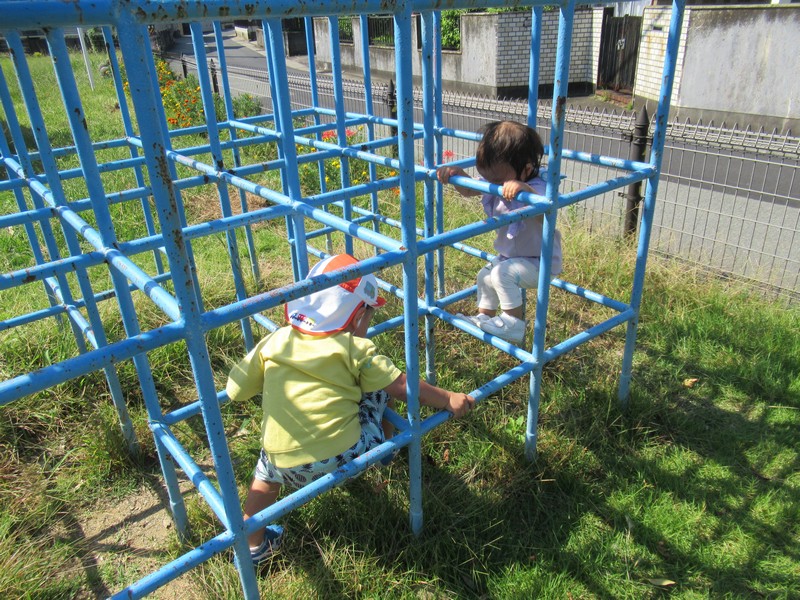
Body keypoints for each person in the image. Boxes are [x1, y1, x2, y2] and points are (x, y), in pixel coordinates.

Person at [226, 253, 475, 565]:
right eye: (369, 316)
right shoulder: (354, 349)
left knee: (263, 480)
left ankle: (253, 547)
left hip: (280, 461)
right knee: (381, 388)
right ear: (357, 316)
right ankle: (384, 449)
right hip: (341, 456)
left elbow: (235, 391)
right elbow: (404, 387)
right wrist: (449, 398)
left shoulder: (275, 341)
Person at [437, 120, 563, 345]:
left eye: (496, 180)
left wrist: (526, 191)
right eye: (488, 179)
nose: (491, 185)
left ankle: (513, 324)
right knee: (485, 276)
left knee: (500, 274)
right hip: (512, 258)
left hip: (541, 262)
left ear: (526, 169)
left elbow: (545, 212)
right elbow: (469, 190)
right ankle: (484, 317)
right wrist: (459, 175)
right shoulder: (497, 179)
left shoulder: (540, 186)